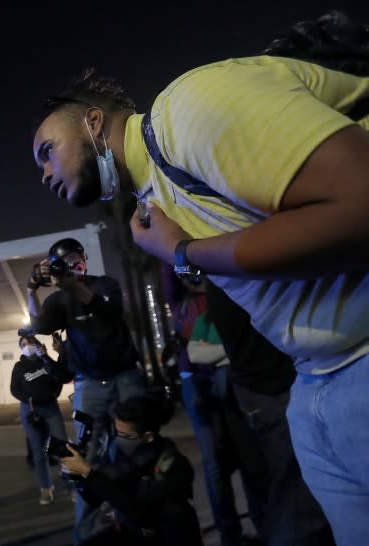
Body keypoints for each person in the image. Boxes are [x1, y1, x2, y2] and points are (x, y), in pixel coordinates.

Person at [30, 13, 369, 542]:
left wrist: (184, 251)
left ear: (93, 122)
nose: (43, 173)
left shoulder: (187, 108)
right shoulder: (155, 199)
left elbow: (361, 200)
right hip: (317, 381)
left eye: (46, 151)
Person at [27, 237, 145, 543]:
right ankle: (86, 534)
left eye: (76, 258)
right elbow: (38, 325)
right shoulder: (58, 300)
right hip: (89, 384)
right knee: (84, 458)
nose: (72, 265)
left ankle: (137, 524)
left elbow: (109, 310)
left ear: (84, 259)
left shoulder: (104, 284)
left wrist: (70, 284)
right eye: (64, 262)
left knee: (133, 451)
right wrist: (31, 289)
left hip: (125, 378)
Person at [204, 281, 335, 546]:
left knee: (281, 485)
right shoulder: (238, 266)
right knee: (296, 494)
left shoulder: (213, 266)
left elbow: (181, 266)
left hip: (256, 389)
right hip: (271, 388)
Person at [171, 277, 267, 546]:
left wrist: (220, 354)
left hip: (232, 381)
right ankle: (230, 533)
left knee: (248, 452)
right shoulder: (186, 303)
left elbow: (243, 345)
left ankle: (261, 523)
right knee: (214, 462)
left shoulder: (229, 294)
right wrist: (226, 354)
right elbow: (195, 353)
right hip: (198, 381)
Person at [61, 395, 203, 546]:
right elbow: (98, 497)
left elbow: (135, 507)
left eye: (125, 435)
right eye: (117, 432)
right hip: (135, 529)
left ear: (148, 436)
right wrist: (78, 476)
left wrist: (88, 472)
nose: (118, 439)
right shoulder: (123, 455)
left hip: (167, 535)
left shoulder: (176, 467)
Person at [10, 334, 68, 505]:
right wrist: (27, 399)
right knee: (39, 451)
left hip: (51, 408)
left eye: (29, 342)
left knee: (63, 447)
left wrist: (54, 394)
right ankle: (46, 488)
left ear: (36, 344)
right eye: (23, 344)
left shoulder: (45, 361)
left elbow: (58, 377)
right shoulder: (19, 366)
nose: (26, 345)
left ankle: (72, 485)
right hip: (31, 410)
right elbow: (14, 389)